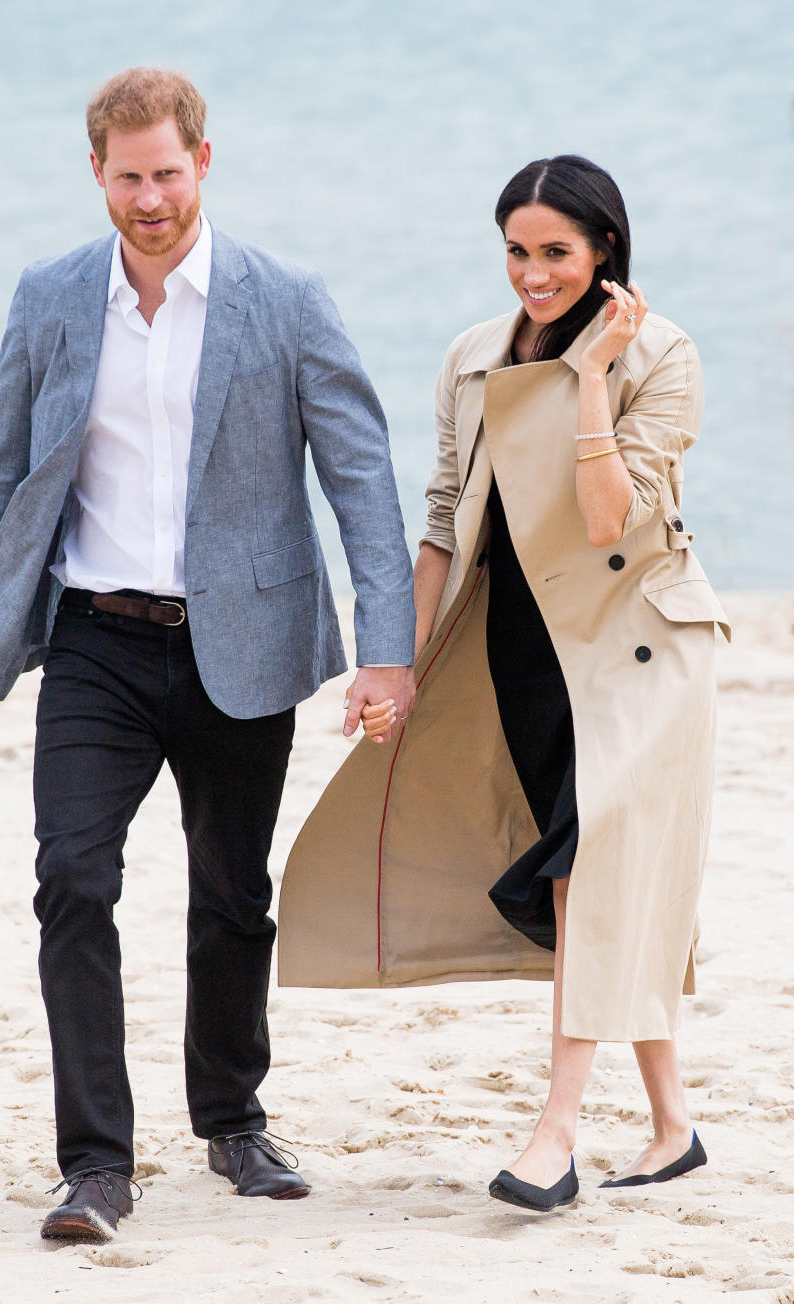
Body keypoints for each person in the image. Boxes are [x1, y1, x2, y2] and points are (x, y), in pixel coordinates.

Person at [0, 67, 415, 1242]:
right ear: (97, 172)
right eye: (129, 177)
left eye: (169, 174)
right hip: (94, 637)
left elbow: (362, 481)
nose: (151, 199)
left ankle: (233, 1118)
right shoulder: (51, 296)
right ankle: (94, 1162)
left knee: (233, 895)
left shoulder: (284, 299)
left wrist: (384, 652)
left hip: (239, 639)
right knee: (73, 878)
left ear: (205, 162)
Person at [278, 155, 729, 1212]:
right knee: (603, 882)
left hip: (641, 653)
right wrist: (399, 656)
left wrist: (589, 380)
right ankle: (672, 1126)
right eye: (518, 252)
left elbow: (613, 517)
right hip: (523, 647)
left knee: (584, 871)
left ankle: (554, 1133)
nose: (534, 273)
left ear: (605, 249)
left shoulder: (663, 355)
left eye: (557, 253)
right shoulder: (473, 356)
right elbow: (442, 518)